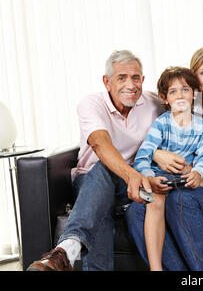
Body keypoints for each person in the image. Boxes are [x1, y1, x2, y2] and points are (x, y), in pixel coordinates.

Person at [26, 50, 168, 271]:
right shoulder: (91, 103)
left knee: (102, 197)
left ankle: (63, 254)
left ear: (143, 80)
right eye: (122, 77)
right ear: (107, 81)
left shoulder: (153, 103)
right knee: (103, 172)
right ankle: (69, 250)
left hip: (131, 185)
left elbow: (187, 106)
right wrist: (132, 175)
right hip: (93, 180)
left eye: (136, 77)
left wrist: (157, 157)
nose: (130, 85)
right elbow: (100, 143)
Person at [126, 46, 203, 271]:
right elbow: (151, 145)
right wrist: (156, 156)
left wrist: (193, 168)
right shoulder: (177, 111)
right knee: (137, 210)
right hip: (175, 179)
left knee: (178, 201)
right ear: (196, 79)